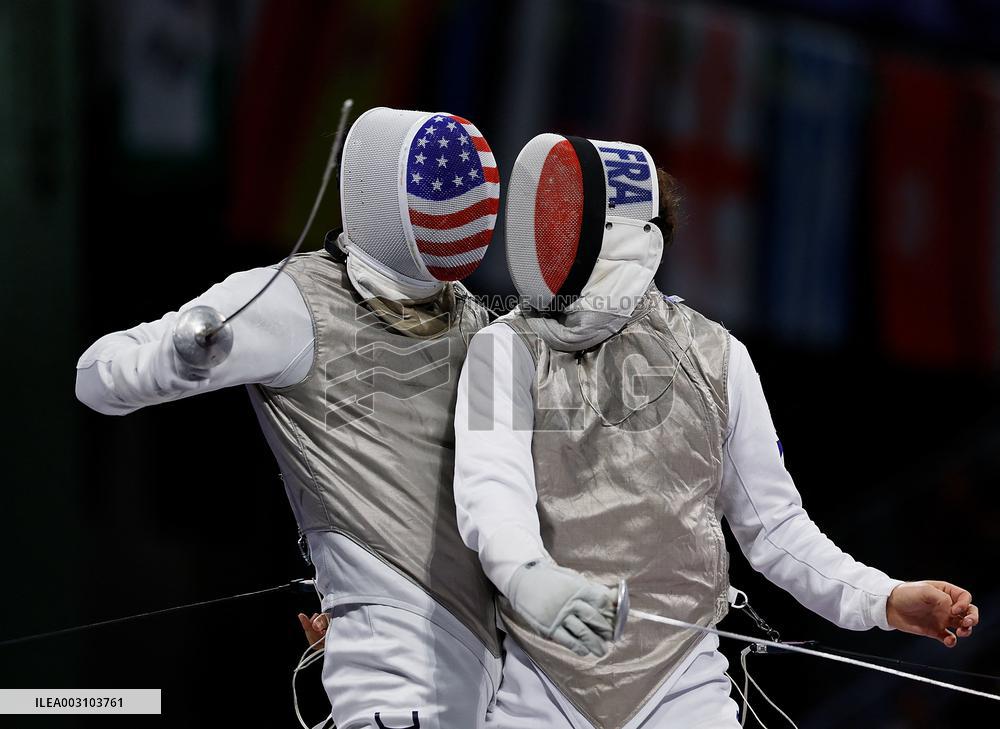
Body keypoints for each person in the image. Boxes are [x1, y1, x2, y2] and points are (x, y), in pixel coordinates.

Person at [453, 133, 979, 729]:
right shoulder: (504, 348)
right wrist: (531, 578)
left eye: (565, 219)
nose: (546, 239)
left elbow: (775, 529)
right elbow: (490, 491)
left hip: (681, 689)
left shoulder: (715, 357)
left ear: (628, 235)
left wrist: (883, 600)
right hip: (537, 685)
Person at [76, 107, 503, 728]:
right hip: (487, 673)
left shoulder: (294, 305)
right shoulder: (478, 320)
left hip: (414, 674)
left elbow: (95, 375)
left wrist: (179, 361)